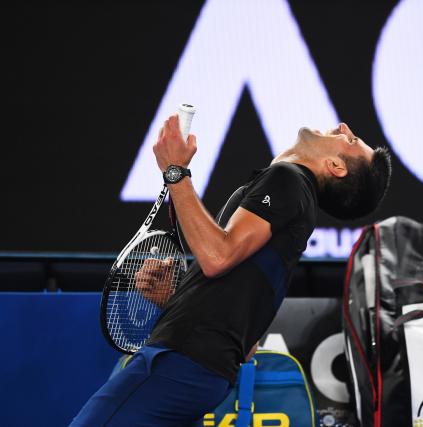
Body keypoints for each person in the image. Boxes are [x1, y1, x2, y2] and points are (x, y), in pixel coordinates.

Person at [70, 116, 392, 426]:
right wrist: (173, 298)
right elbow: (246, 340)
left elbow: (217, 256)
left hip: (181, 363)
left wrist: (175, 171)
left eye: (350, 140)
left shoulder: (288, 181)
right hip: (204, 373)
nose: (343, 128)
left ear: (335, 167)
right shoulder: (296, 206)